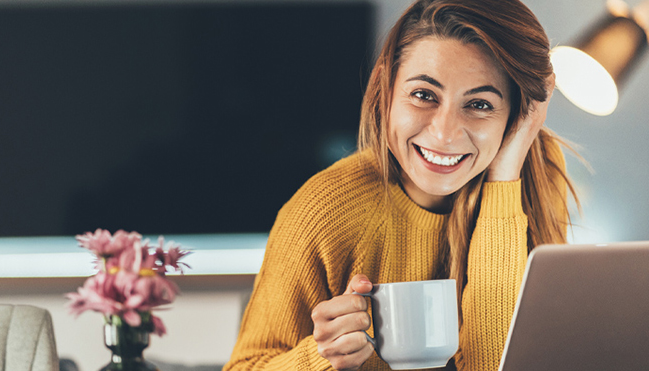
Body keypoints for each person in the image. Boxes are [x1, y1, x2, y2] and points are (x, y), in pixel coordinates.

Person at [223, 0, 580, 370]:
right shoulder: (327, 209)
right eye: (424, 95)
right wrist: (323, 357)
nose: (443, 134)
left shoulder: (533, 176)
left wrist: (504, 175)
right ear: (385, 87)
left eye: (480, 104)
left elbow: (496, 364)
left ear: (517, 114)